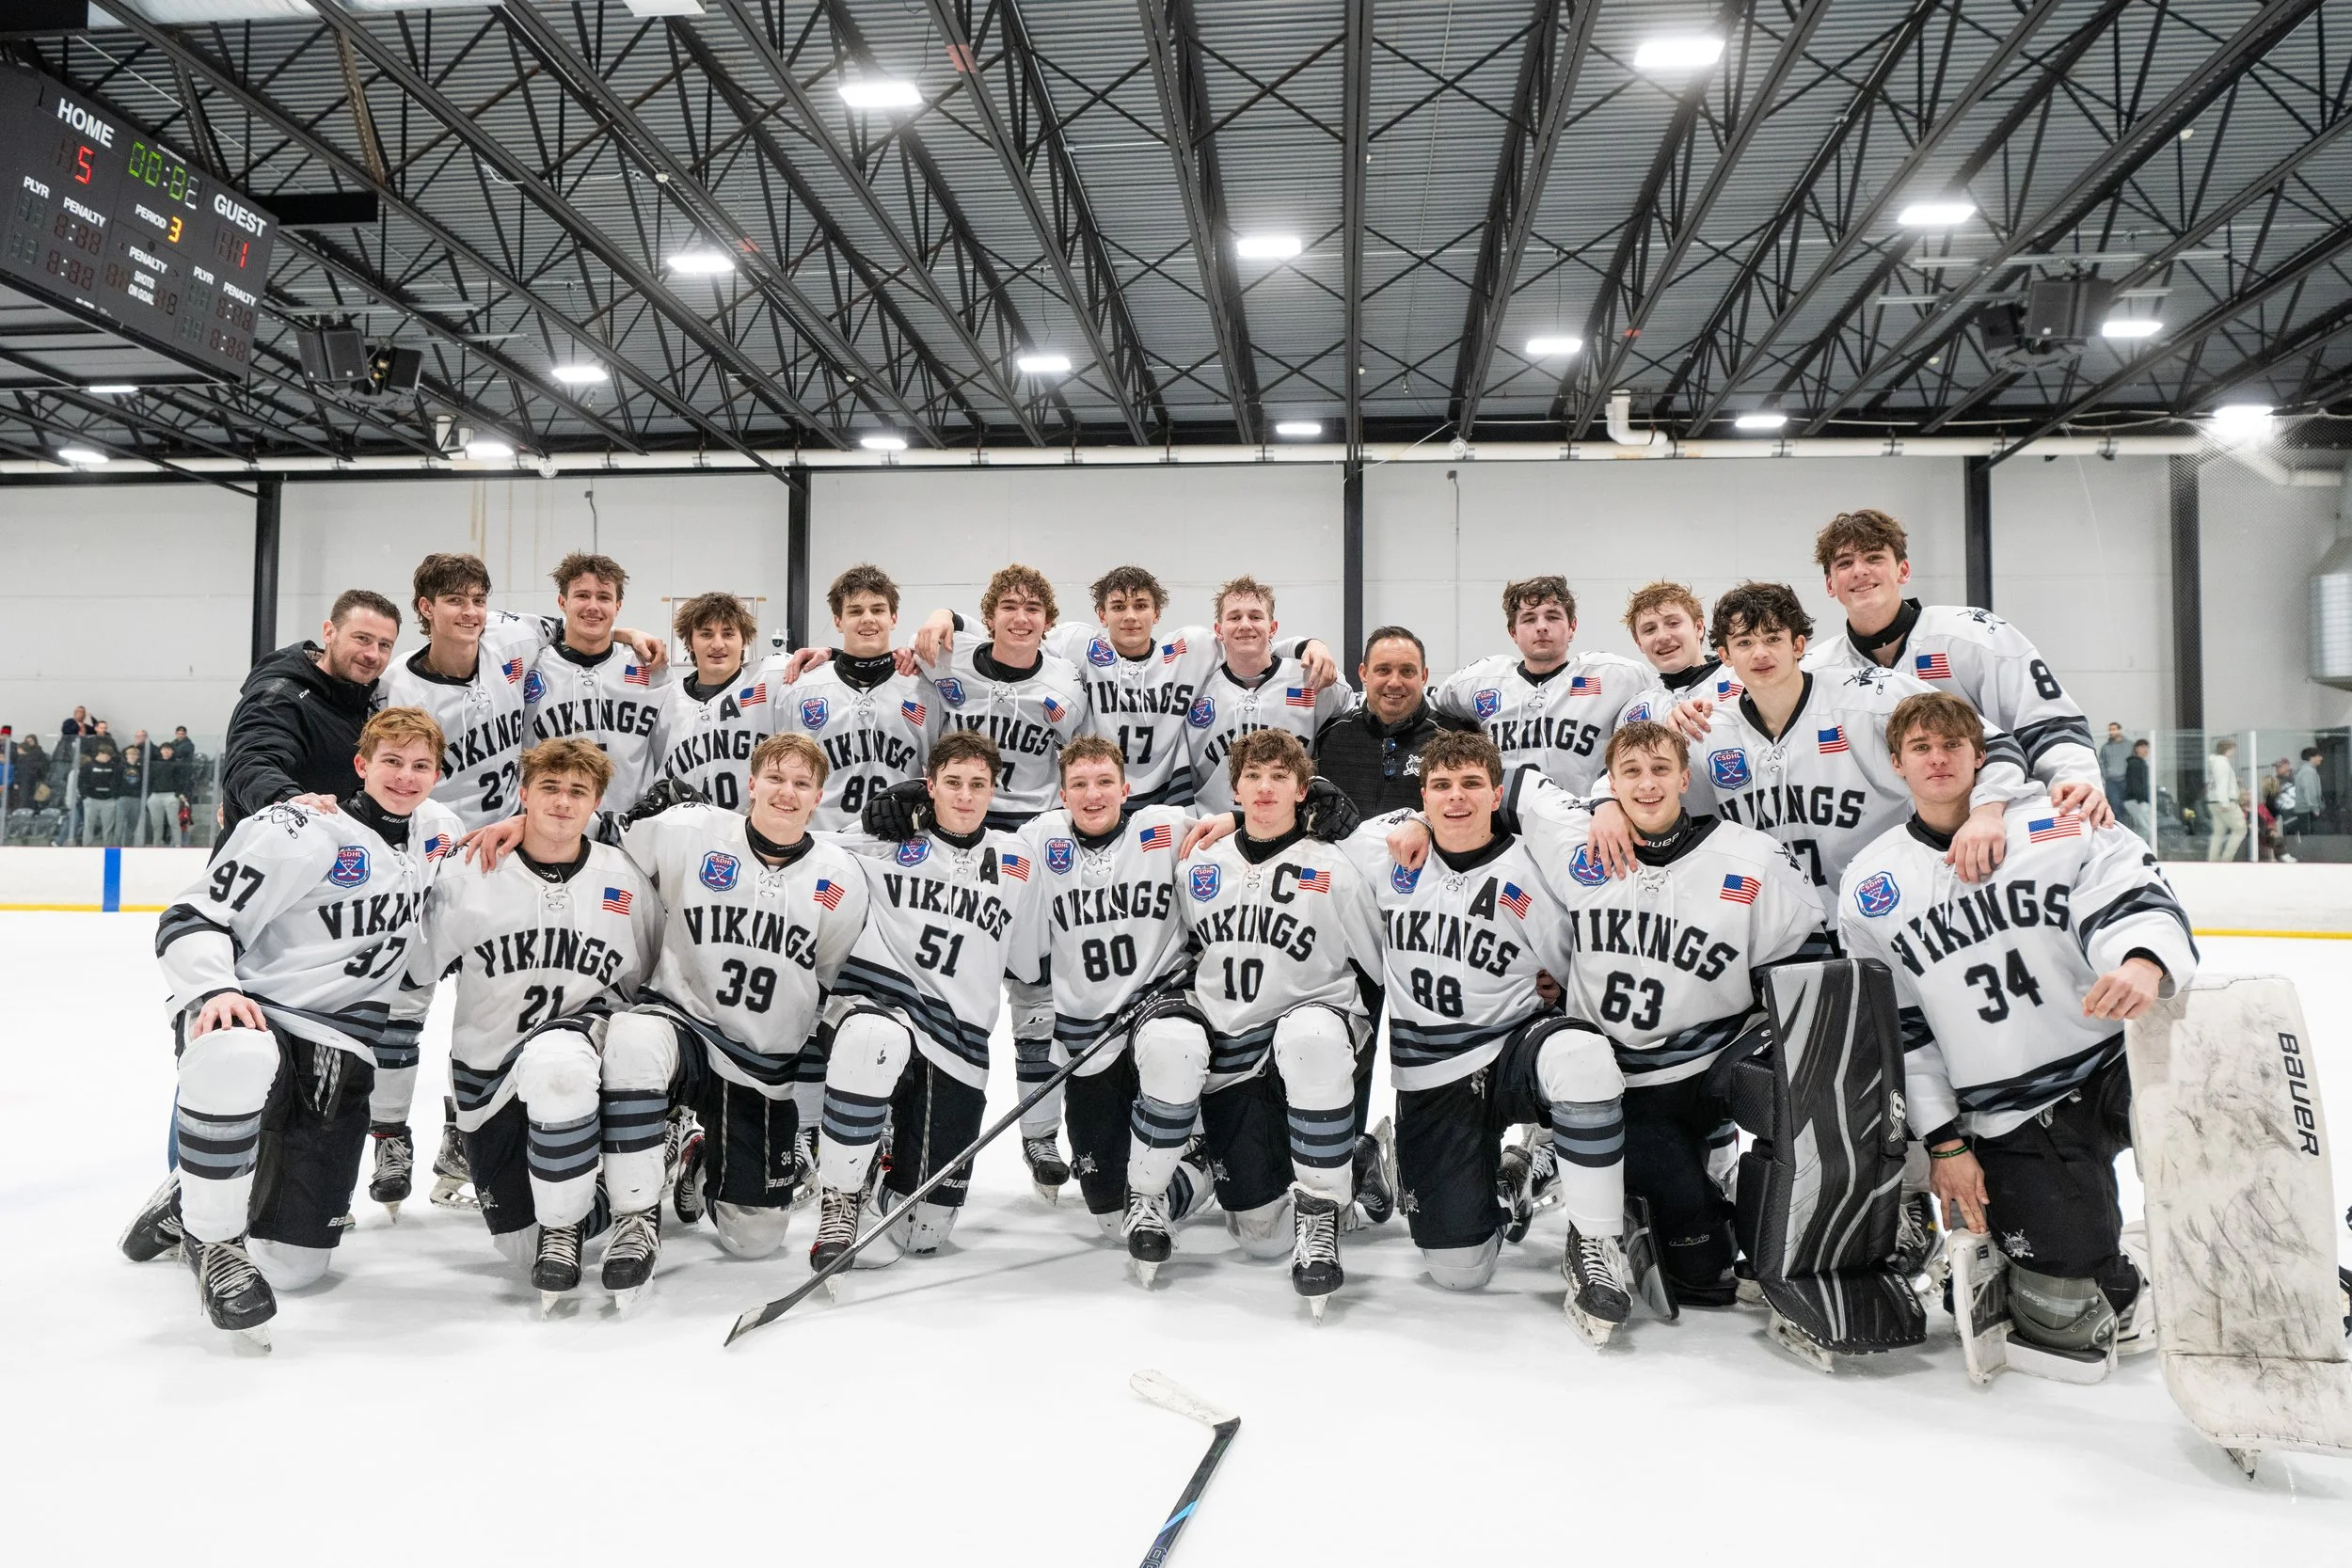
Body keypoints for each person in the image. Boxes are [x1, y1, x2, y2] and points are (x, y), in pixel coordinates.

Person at [1838, 691, 2197, 1371]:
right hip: (2013, 1110)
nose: (1938, 758)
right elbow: (1903, 1033)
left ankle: (2218, 1250)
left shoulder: (2059, 821)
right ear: (1896, 764)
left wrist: (2144, 959)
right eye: (1921, 748)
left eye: (1952, 744)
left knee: (2215, 1151)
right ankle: (2118, 1258)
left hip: (2115, 1060)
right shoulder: (1868, 885)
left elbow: (2131, 892)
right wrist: (1944, 1142)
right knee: (2070, 1316)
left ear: (1982, 755)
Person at [133, 707, 462, 1345]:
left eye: (421, 764)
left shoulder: (439, 832)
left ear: (438, 773)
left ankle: (189, 1191)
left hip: (344, 1040)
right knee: (238, 1055)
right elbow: (189, 916)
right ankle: (216, 1239)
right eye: (391, 760)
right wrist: (215, 987)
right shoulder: (304, 826)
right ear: (361, 765)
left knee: (295, 1268)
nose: (405, 775)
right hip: (260, 1008)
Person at [1339, 730, 1633, 1332]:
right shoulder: (1383, 846)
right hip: (1430, 1070)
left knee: (1581, 1054)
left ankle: (1595, 1242)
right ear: (1421, 797)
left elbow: (1574, 965)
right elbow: (1312, 831)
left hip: (1509, 1049)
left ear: (1497, 793)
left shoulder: (1533, 868)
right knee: (1458, 1272)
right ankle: (1501, 1182)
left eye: (1472, 784)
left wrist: (1554, 992)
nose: (1456, 798)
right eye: (1441, 787)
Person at [594, 734, 869, 1296]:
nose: (786, 793)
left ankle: (700, 1155)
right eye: (774, 779)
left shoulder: (839, 875)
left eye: (801, 784)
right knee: (634, 1037)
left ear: (818, 797)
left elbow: (828, 967)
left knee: (756, 1240)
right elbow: (596, 848)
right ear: (751, 783)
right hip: (684, 1023)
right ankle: (636, 1216)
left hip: (761, 1060)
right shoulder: (690, 832)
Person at [415, 738, 661, 1307]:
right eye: (549, 788)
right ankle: (582, 1198)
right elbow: (418, 970)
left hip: (581, 1054)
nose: (562, 802)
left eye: (578, 792)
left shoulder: (620, 877)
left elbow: (643, 975)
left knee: (559, 1062)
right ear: (523, 794)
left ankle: (621, 1189)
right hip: (490, 1069)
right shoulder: (471, 871)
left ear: (596, 803)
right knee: (520, 1248)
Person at [1165, 730, 1383, 1317]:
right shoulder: (1200, 863)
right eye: (1253, 777)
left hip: (1310, 1036)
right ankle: (1348, 1157)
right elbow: (1188, 947)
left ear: (1302, 789)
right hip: (1233, 1046)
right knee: (1262, 1239)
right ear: (1233, 787)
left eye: (1279, 777)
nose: (1264, 788)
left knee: (1308, 1038)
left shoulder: (1333, 867)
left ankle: (1325, 1211)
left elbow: (1375, 964)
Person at [808, 730, 1041, 1267]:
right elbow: (802, 846)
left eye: (977, 785)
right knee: (873, 1038)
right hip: (879, 1008)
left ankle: (885, 1157)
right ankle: (840, 1196)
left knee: (922, 1232)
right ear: (929, 786)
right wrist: (864, 819)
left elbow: (1027, 964)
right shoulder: (884, 842)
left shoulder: (1017, 864)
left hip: (958, 1040)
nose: (964, 796)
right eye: (952, 783)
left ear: (993, 791)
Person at [1657, 581, 2036, 892]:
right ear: (1724, 655)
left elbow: (1994, 743)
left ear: (1798, 645)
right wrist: (1606, 805)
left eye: (1773, 638)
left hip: (1885, 903)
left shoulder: (1874, 695)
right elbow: (1632, 784)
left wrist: (1987, 810)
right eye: (1744, 643)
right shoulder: (1703, 726)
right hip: (1769, 924)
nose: (1760, 654)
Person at [1007, 736, 1216, 1269]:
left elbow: (1241, 834)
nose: (1093, 794)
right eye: (1079, 784)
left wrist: (1235, 821)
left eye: (1104, 782)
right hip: (1086, 1031)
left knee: (1175, 1046)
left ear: (1126, 788)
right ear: (1061, 793)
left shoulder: (1165, 827)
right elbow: (968, 840)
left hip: (1157, 1000)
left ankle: (1155, 1196)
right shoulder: (1038, 838)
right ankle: (1203, 1166)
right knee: (1105, 1211)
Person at [911, 564, 1337, 809]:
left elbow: (1250, 644)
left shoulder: (1191, 647)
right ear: (1101, 613)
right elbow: (1014, 633)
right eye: (1118, 607)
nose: (1129, 616)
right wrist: (946, 616)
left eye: (1140, 606)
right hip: (1096, 794)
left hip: (1168, 801)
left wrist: (1306, 644)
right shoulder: (1077, 643)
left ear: (1157, 613)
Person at [1804, 509, 2106, 809]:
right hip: (1888, 843)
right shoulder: (1816, 671)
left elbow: (2048, 722)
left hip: (1992, 822)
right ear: (1830, 585)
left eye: (1874, 558)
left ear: (1903, 571)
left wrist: (2076, 781)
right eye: (1845, 563)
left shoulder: (1974, 633)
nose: (1859, 571)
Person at [1428, 575, 1657, 796]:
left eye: (1553, 616)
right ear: (1513, 632)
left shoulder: (1615, 675)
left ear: (1572, 627)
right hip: (1501, 826)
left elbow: (1665, 701)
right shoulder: (1479, 680)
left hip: (1583, 822)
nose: (1542, 627)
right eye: (1529, 619)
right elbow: (1424, 711)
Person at [221, 589, 403, 834]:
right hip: (275, 860)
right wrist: (289, 800)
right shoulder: (279, 698)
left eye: (384, 645)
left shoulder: (368, 696)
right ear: (329, 632)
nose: (372, 654)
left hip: (338, 858)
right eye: (362, 638)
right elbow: (250, 763)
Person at [773, 565, 939, 829]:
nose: (867, 619)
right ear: (838, 620)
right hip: (822, 839)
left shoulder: (924, 689)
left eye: (878, 610)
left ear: (893, 618)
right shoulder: (801, 688)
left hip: (899, 840)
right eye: (855, 611)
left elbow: (940, 775)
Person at [525, 552, 676, 817]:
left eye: (604, 597)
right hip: (552, 822)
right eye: (582, 595)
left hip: (633, 824)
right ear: (562, 602)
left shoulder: (651, 668)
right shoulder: (532, 666)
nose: (593, 606)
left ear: (618, 606)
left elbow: (670, 754)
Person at [1312, 626, 1473, 816]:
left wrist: (1425, 824)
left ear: (1424, 676)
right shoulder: (1330, 738)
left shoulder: (1455, 740)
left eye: (1407, 671)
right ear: (1364, 673)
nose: (1395, 682)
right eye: (1383, 670)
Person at [654, 591, 781, 814]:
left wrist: (828, 652)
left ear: (744, 641)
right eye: (706, 634)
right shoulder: (667, 698)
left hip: (752, 832)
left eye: (729, 634)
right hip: (686, 832)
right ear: (689, 643)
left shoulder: (768, 678)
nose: (718, 644)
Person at [1615, 581, 1740, 720]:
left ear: (1698, 627)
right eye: (1649, 630)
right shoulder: (1633, 713)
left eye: (1673, 623)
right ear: (1639, 643)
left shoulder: (1741, 680)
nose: (1662, 637)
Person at [2204, 738, 2246, 862]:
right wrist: (2225, 802)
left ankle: (2213, 859)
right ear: (2228, 749)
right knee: (2240, 829)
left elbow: (2218, 782)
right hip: (2225, 802)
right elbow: (2222, 783)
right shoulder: (2222, 763)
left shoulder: (2213, 763)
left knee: (2219, 832)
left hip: (2213, 801)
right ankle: (2226, 859)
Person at [78, 741, 125, 847]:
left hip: (108, 800)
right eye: (106, 755)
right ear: (100, 753)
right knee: (89, 825)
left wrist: (114, 795)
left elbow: (118, 781)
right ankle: (87, 846)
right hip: (91, 799)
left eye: (110, 756)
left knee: (108, 827)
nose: (108, 758)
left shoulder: (114, 767)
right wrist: (85, 796)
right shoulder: (88, 766)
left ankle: (107, 847)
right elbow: (81, 782)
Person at [145, 742, 189, 847]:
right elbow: (149, 780)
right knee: (157, 824)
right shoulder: (154, 764)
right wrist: (149, 795)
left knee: (173, 822)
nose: (166, 751)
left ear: (172, 751)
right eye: (164, 749)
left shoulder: (177, 764)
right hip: (155, 795)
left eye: (169, 749)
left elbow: (181, 780)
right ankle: (156, 845)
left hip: (171, 795)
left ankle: (177, 845)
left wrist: (179, 794)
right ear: (160, 751)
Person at [2098, 722, 2132, 817]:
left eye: (2113, 729)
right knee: (2115, 808)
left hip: (2127, 781)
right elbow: (2101, 763)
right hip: (2112, 782)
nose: (2111, 732)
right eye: (2110, 730)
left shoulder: (2130, 745)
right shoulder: (2105, 747)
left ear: (2119, 730)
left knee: (2128, 807)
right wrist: (2106, 776)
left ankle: (2128, 830)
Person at [2122, 738, 2153, 840]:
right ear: (2136, 749)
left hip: (2138, 800)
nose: (2146, 750)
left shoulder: (2141, 763)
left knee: (2143, 827)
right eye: (2143, 747)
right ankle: (2141, 852)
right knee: (2146, 828)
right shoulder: (2135, 764)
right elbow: (2135, 783)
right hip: (2136, 800)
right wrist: (2141, 800)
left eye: (2147, 747)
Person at [2294, 747, 2326, 835]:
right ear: (2311, 758)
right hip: (2307, 811)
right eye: (2318, 756)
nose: (2321, 758)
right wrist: (2316, 809)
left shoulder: (2303, 770)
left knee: (2306, 836)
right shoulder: (2309, 771)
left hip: (2304, 810)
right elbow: (2310, 791)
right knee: (2309, 838)